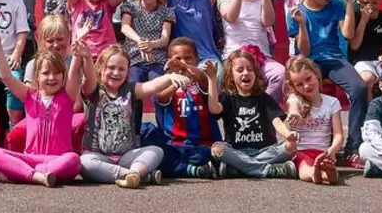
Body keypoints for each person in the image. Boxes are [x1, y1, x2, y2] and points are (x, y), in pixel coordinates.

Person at [286, 0, 368, 160]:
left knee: (359, 87)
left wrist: (349, 2)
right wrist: (303, 24)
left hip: (332, 57)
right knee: (307, 86)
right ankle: (312, 145)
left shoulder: (336, 5)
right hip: (308, 61)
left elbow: (348, 35)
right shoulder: (296, 12)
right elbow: (303, 52)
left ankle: (354, 145)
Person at [0, 31, 84, 186]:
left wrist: (79, 44)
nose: (52, 77)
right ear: (37, 76)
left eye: (57, 73)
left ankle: (24, 173)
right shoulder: (29, 95)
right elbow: (7, 77)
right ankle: (36, 176)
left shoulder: (67, 96)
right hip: (30, 158)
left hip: (57, 160)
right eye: (46, 73)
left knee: (74, 159)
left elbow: (74, 69)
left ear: (63, 76)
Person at [78, 44, 171, 187]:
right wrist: (87, 57)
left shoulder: (130, 90)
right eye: (111, 67)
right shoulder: (94, 90)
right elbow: (89, 76)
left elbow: (152, 85)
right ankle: (133, 175)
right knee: (85, 164)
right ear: (101, 68)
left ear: (128, 71)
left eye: (122, 69)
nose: (116, 72)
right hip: (97, 155)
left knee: (156, 151)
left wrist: (172, 77)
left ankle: (133, 173)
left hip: (126, 156)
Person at [211, 47, 296, 179]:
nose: (246, 73)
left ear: (256, 73)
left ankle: (237, 169)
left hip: (265, 151)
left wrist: (288, 134)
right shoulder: (227, 97)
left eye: (250, 69)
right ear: (231, 76)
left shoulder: (263, 97)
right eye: (240, 70)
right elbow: (214, 109)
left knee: (291, 147)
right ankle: (268, 170)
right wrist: (212, 79)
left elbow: (277, 121)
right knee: (217, 149)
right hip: (236, 151)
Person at [146, 37, 220, 179]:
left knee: (207, 154)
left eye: (188, 58)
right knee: (150, 140)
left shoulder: (202, 82)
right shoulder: (165, 83)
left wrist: (185, 68)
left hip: (202, 145)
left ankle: (193, 167)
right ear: (169, 61)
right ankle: (196, 170)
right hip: (175, 145)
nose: (183, 62)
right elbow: (161, 97)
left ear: (197, 60)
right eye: (178, 59)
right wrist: (175, 82)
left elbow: (204, 79)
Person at [219, 0, 286, 101]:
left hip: (261, 57)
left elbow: (268, 21)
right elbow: (231, 16)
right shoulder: (225, 0)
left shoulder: (261, 0)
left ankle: (263, 108)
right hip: (234, 56)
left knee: (280, 74)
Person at [281, 57, 346, 185]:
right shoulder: (295, 99)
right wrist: (294, 113)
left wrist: (332, 150)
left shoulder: (332, 102)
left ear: (316, 74)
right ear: (293, 86)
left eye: (308, 79)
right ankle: (313, 173)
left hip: (323, 153)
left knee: (328, 166)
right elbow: (293, 106)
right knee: (303, 169)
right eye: (299, 84)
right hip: (301, 152)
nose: (306, 86)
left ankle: (326, 173)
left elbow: (338, 135)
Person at [117, 0, 175, 87]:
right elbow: (125, 27)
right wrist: (140, 41)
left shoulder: (166, 12)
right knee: (132, 87)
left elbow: (165, 39)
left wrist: (151, 44)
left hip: (157, 60)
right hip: (134, 59)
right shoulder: (130, 7)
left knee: (158, 87)